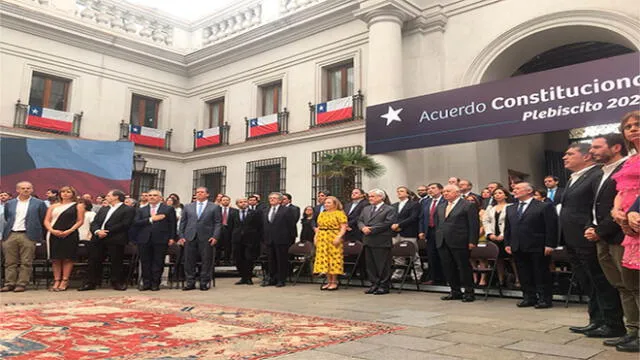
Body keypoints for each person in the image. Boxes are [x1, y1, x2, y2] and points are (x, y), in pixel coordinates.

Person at [560, 143, 624, 338]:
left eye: (570, 153)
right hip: (573, 238)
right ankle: (596, 319)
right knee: (588, 282)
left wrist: (594, 230)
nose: (565, 157)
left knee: (601, 281)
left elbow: (593, 208)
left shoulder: (596, 175)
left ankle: (612, 322)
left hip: (588, 237)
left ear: (586, 157)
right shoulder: (574, 178)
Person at [585, 133, 637, 349]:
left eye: (597, 146)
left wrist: (601, 230)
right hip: (602, 236)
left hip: (621, 234)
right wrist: (592, 228)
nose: (591, 151)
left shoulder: (628, 167)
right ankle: (632, 330)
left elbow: (627, 200)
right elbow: (600, 206)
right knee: (621, 286)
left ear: (616, 147)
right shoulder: (602, 173)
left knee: (633, 285)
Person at [610, 111, 640, 352]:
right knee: (634, 282)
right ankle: (636, 331)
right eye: (628, 126)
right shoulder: (630, 161)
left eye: (637, 124)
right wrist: (617, 210)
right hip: (630, 228)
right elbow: (622, 190)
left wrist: (634, 210)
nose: (632, 129)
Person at [505, 182, 558, 309]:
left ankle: (544, 298)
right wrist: (508, 243)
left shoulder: (544, 206)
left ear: (529, 191)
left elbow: (551, 227)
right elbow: (508, 228)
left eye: (518, 188)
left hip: (537, 245)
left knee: (540, 273)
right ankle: (529, 297)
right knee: (523, 273)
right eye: (514, 189)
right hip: (518, 245)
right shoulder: (511, 208)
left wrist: (550, 244)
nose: (514, 190)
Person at [78, 189, 135, 291]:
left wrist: (106, 231)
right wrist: (97, 231)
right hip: (98, 238)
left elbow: (125, 224)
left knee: (116, 261)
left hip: (115, 238)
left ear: (116, 197)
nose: (106, 198)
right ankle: (91, 283)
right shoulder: (104, 209)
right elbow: (95, 222)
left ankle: (116, 282)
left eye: (109, 196)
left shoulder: (127, 209)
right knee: (94, 260)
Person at [435, 184, 479, 302]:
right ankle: (455, 291)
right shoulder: (441, 206)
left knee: (464, 267)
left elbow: (474, 225)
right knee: (448, 267)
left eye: (448, 191)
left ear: (457, 192)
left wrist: (472, 241)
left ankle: (469, 292)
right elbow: (438, 224)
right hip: (442, 241)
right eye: (444, 192)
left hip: (460, 241)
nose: (445, 193)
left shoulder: (467, 205)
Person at [1, 181, 47, 293]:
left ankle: (21, 283)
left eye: (28, 188)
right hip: (11, 234)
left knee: (26, 261)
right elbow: (8, 217)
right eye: (23, 188)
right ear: (17, 190)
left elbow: (42, 218)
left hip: (28, 234)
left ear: (32, 190)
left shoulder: (39, 203)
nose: (25, 190)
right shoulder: (10, 203)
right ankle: (9, 283)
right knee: (9, 261)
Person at [178, 186, 221, 291]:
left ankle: (204, 282)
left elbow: (217, 223)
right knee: (189, 261)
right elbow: (183, 222)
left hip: (207, 237)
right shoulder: (188, 207)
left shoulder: (214, 207)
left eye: (202, 192)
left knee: (206, 261)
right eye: (197, 192)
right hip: (190, 237)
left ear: (207, 194)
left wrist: (215, 236)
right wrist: (182, 236)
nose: (199, 194)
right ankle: (190, 282)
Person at [44, 186, 85, 291]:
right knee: (56, 258)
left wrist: (69, 231)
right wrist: (52, 230)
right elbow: (47, 221)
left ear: (73, 193)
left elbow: (80, 221)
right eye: (63, 192)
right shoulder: (53, 206)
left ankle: (65, 280)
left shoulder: (78, 205)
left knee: (68, 258)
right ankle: (57, 280)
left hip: (70, 234)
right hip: (54, 234)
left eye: (68, 192)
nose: (65, 194)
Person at [133, 189, 176, 291]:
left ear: (160, 198)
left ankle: (155, 283)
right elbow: (136, 223)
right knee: (145, 262)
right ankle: (146, 283)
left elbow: (172, 225)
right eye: (150, 195)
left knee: (158, 262)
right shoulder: (141, 210)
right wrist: (151, 219)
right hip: (144, 239)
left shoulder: (168, 209)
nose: (152, 197)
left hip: (161, 239)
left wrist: (172, 238)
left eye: (155, 195)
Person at [358, 189, 396, 295]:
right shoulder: (366, 208)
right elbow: (360, 220)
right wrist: (363, 228)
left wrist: (372, 229)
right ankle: (374, 284)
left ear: (380, 197)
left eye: (373, 196)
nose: (370, 198)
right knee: (371, 265)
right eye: (369, 196)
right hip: (367, 240)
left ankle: (384, 285)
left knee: (382, 264)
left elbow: (388, 222)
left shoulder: (389, 209)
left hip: (381, 240)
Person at [483, 187, 519, 288]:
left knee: (512, 258)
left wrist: (503, 234)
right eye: (495, 194)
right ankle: (501, 279)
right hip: (494, 236)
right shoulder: (491, 208)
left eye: (500, 193)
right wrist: (490, 234)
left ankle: (518, 279)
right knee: (499, 259)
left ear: (506, 195)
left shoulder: (511, 206)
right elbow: (485, 221)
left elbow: (511, 223)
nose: (497, 195)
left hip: (507, 236)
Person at [262, 192, 297, 287]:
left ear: (280, 200)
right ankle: (272, 278)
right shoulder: (266, 210)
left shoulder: (286, 210)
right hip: (269, 239)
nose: (272, 199)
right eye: (270, 198)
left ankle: (281, 279)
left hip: (282, 240)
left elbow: (291, 225)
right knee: (271, 260)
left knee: (281, 260)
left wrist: (292, 239)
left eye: (274, 198)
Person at [313, 196, 347, 291]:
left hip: (333, 236)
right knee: (324, 259)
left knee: (333, 259)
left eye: (329, 203)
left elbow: (343, 227)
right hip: (322, 237)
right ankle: (328, 281)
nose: (326, 204)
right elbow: (318, 227)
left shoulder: (339, 214)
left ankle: (334, 281)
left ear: (335, 204)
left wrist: (338, 237)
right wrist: (316, 237)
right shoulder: (322, 214)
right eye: (325, 203)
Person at [391, 186, 422, 281]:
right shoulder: (394, 205)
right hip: (395, 233)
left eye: (401, 191)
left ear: (407, 193)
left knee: (413, 254)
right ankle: (398, 274)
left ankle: (417, 274)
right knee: (397, 254)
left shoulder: (414, 204)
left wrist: (399, 224)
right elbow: (392, 217)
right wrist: (393, 225)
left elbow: (413, 217)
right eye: (398, 191)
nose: (399, 193)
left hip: (408, 232)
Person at [418, 182, 446, 285]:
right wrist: (421, 230)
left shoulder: (445, 200)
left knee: (443, 255)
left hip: (441, 232)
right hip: (429, 231)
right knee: (431, 255)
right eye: (429, 188)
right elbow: (421, 217)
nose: (430, 190)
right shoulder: (425, 202)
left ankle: (445, 278)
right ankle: (433, 278)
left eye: (433, 188)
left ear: (440, 189)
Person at [230, 197, 262, 285]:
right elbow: (231, 227)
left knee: (249, 258)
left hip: (250, 239)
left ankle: (248, 277)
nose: (243, 203)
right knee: (238, 258)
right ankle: (243, 277)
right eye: (240, 202)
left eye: (244, 202)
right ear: (237, 204)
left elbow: (259, 226)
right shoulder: (233, 214)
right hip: (237, 239)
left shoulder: (255, 213)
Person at [217, 195, 237, 263]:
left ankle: (227, 260)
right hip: (218, 230)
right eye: (224, 200)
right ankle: (217, 260)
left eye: (227, 200)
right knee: (218, 246)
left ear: (229, 201)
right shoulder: (216, 210)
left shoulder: (234, 211)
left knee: (228, 246)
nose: (225, 201)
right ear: (221, 201)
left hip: (229, 230)